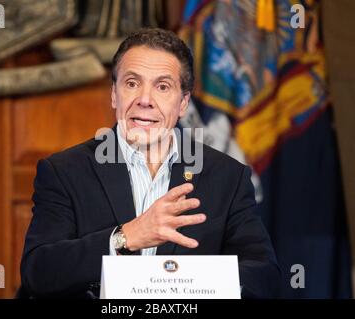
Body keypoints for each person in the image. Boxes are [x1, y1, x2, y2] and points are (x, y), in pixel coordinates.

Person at [20, 28, 279, 299]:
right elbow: (38, 272)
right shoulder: (64, 172)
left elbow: (263, 275)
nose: (145, 100)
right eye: (132, 83)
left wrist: (191, 286)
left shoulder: (228, 177)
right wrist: (124, 237)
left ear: (183, 103)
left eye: (162, 87)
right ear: (113, 94)